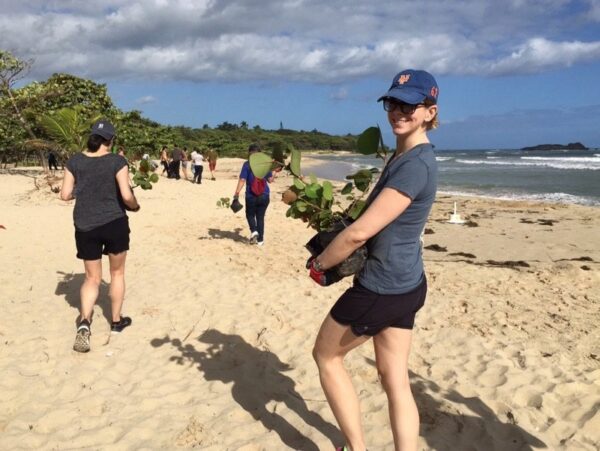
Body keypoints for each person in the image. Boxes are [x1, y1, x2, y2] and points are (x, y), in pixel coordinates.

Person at [309, 69, 439, 451]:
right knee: (394, 380)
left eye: (410, 105)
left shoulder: (414, 166)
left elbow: (358, 234)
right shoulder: (407, 156)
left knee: (326, 356)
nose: (399, 111)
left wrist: (321, 265)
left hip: (382, 287)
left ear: (430, 111)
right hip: (408, 283)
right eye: (393, 103)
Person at [60, 119, 140, 353]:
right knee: (117, 273)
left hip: (85, 225)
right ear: (111, 141)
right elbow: (126, 196)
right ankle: (116, 321)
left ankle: (85, 322)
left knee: (92, 278)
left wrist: (82, 189)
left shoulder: (74, 161)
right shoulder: (117, 161)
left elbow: (65, 195)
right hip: (114, 222)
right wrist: (135, 206)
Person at [233, 144, 274, 246]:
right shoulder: (265, 164)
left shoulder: (247, 164)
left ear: (249, 153)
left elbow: (242, 179)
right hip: (264, 195)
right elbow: (270, 180)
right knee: (260, 217)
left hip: (251, 195)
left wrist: (236, 193)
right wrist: (274, 171)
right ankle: (260, 241)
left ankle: (254, 231)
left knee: (250, 215)